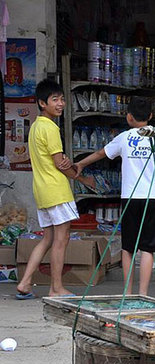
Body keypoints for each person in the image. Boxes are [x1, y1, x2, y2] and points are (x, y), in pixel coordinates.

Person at [75, 97, 155, 296]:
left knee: (128, 247)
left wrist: (82, 164)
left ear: (128, 117)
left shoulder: (124, 137)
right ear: (151, 116)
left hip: (129, 198)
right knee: (148, 249)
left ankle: (127, 292)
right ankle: (143, 293)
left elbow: (101, 153)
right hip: (152, 199)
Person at [16, 79, 96, 299]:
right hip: (56, 191)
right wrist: (84, 179)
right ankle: (56, 288)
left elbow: (57, 161)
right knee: (61, 240)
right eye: (55, 100)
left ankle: (24, 282)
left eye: (62, 99)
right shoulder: (50, 128)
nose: (60, 104)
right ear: (42, 103)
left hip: (42, 190)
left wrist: (64, 163)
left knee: (48, 239)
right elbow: (60, 164)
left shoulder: (35, 127)